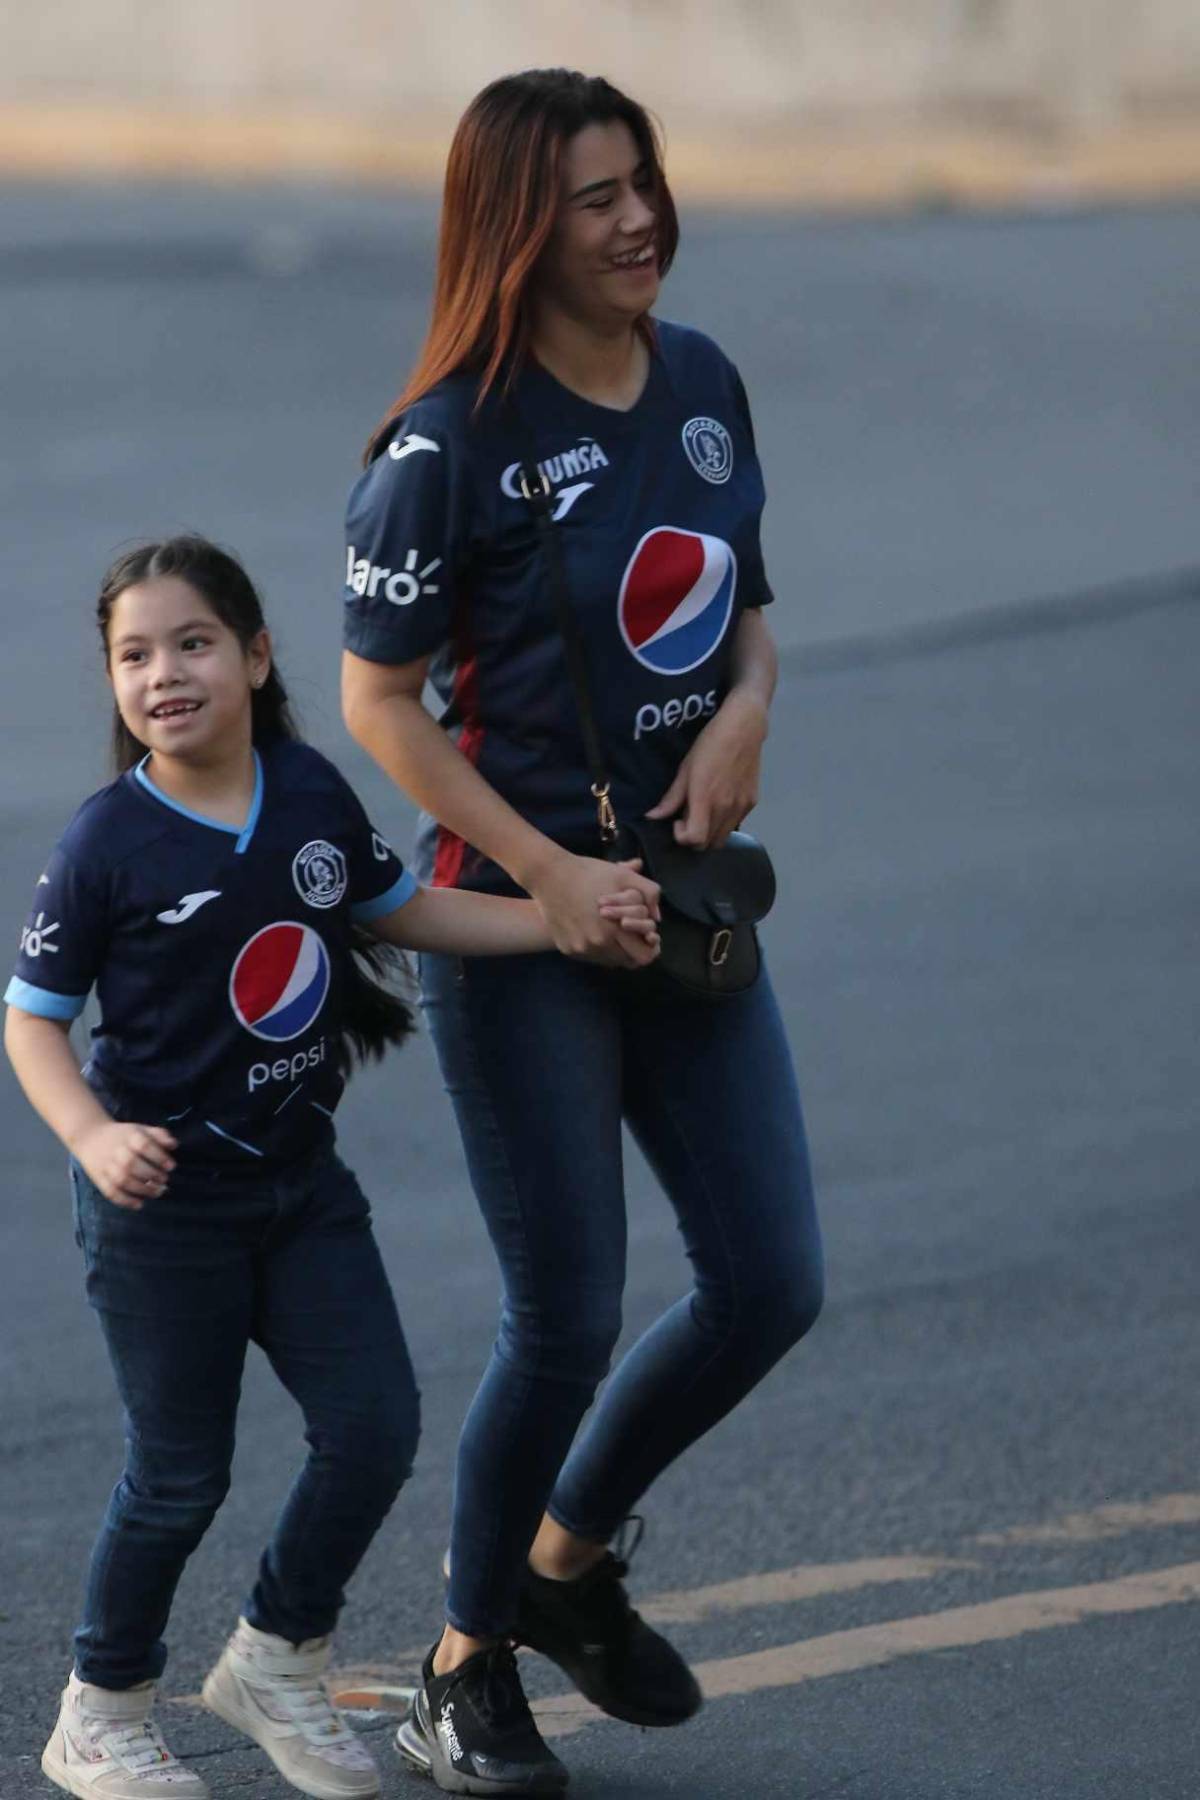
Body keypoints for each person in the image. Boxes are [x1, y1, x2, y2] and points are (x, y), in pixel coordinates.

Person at [341, 67, 826, 1796]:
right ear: (516, 229)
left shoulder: (698, 380)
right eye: (594, 196)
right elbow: (377, 703)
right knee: (565, 1313)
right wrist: (542, 878)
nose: (638, 219)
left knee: (772, 1281)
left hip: (681, 903)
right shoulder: (443, 444)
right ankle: (462, 1668)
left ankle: (561, 1570)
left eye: (645, 181)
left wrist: (749, 708)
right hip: (525, 919)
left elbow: (749, 613)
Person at [4, 535, 657, 1800]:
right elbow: (30, 1018)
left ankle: (275, 1657)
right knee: (179, 1473)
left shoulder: (305, 793)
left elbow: (399, 909)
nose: (164, 673)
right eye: (134, 656)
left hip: (301, 1189)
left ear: (255, 655)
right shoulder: (106, 846)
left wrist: (559, 917)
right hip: (165, 1215)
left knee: (373, 1431)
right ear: (112, 684)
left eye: (193, 643)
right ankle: (101, 1706)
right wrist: (92, 1135)